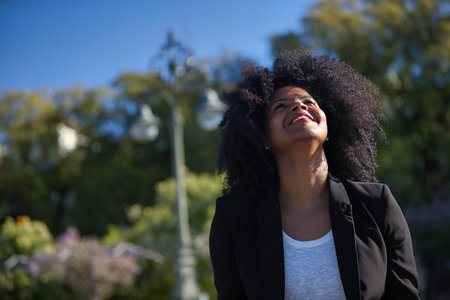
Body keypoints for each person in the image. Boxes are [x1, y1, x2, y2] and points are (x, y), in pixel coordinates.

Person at [209, 50, 420, 300]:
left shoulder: (376, 204)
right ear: (262, 136)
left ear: (329, 127)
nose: (299, 105)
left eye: (309, 103)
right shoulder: (233, 217)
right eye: (281, 106)